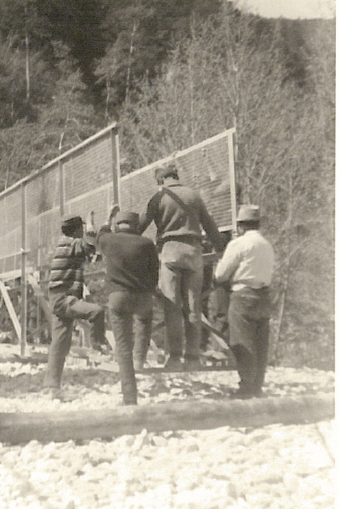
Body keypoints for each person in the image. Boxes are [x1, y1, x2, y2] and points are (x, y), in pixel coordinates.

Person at [138, 163, 225, 368]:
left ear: (161, 180)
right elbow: (210, 225)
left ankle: (175, 357)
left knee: (172, 306)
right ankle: (193, 357)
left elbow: (141, 226)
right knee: (193, 307)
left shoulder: (159, 197)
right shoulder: (193, 195)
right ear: (176, 176)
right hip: (194, 254)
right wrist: (221, 247)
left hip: (170, 253)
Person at [96, 207, 159, 404]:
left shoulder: (109, 240)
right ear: (136, 225)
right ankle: (140, 359)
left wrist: (107, 217)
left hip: (118, 297)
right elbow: (154, 272)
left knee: (122, 347)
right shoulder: (147, 244)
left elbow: (100, 234)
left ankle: (130, 396)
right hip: (142, 296)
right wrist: (148, 289)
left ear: (118, 225)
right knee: (144, 323)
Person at [44, 213, 109, 397]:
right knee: (97, 311)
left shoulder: (68, 245)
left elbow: (92, 255)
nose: (83, 231)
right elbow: (88, 245)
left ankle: (52, 386)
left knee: (60, 344)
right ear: (76, 230)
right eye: (81, 228)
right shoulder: (68, 243)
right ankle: (96, 347)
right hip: (64, 298)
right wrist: (91, 225)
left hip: (59, 297)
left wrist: (106, 222)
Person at [214, 205, 275, 398]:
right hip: (264, 296)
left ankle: (246, 387)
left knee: (244, 342)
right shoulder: (267, 244)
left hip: (243, 295)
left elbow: (221, 275)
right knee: (260, 344)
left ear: (240, 226)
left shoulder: (238, 244)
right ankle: (257, 387)